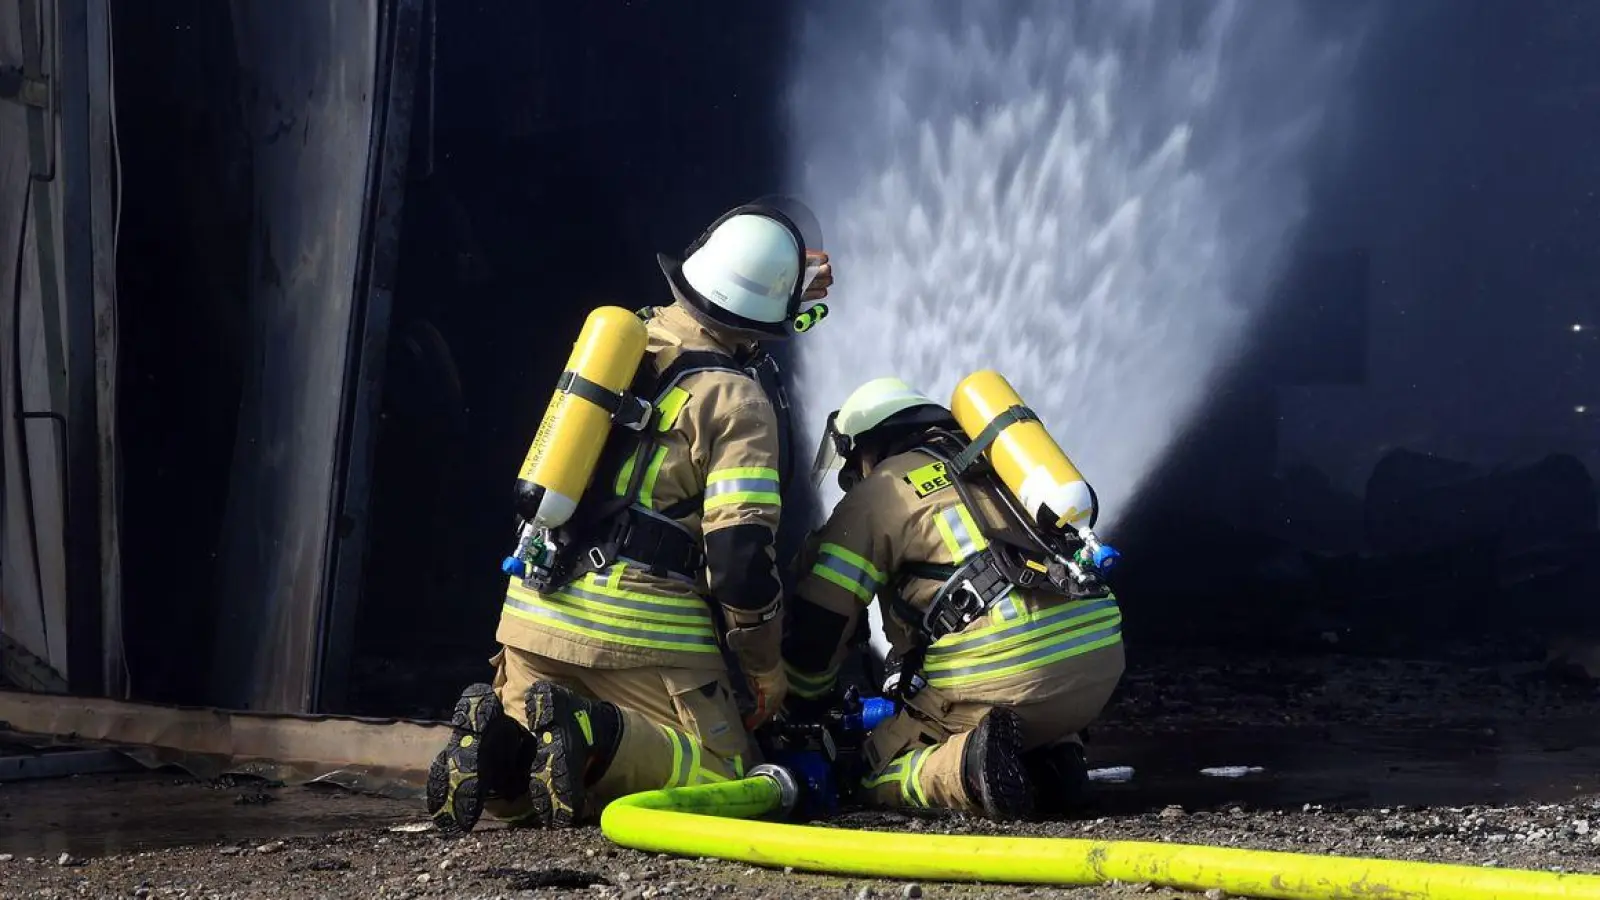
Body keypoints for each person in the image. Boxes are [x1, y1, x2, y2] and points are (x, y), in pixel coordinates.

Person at [426, 199, 833, 833]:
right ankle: (592, 731)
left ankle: (494, 753)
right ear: (768, 318)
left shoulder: (624, 341)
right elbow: (739, 558)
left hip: (533, 614)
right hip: (639, 633)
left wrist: (780, 281)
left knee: (537, 774)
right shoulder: (736, 399)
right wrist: (764, 667)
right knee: (726, 777)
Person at [781, 377, 1125, 821]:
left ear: (868, 446)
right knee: (1025, 705)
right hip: (1098, 663)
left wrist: (805, 702)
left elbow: (822, 616)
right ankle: (1057, 761)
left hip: (1001, 675)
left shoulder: (879, 491)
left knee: (870, 771)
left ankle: (970, 768)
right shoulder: (1002, 470)